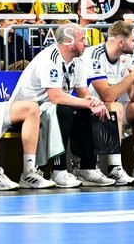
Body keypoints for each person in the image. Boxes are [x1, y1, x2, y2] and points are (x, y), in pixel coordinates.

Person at [7, 23, 107, 187]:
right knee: (64, 110)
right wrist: (88, 103)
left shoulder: (77, 61)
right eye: (82, 39)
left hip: (45, 107)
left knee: (88, 111)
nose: (87, 43)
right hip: (24, 112)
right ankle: (58, 171)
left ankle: (87, 169)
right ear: (69, 42)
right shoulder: (50, 59)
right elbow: (55, 97)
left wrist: (95, 103)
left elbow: (83, 93)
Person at [81, 21, 134, 185]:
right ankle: (115, 169)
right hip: (89, 109)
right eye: (133, 40)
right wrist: (131, 77)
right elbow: (107, 96)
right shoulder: (94, 55)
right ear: (120, 42)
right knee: (115, 107)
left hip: (113, 110)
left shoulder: (127, 58)